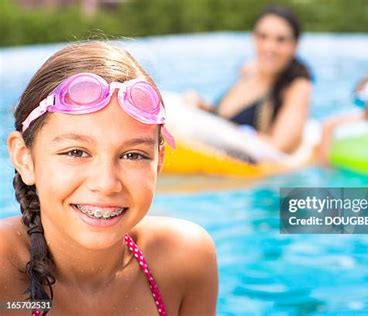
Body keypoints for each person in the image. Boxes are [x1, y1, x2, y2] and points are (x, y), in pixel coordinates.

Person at [0, 41, 218, 315]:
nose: (106, 184)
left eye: (133, 155)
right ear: (24, 158)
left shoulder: (184, 260)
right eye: (76, 152)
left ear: (159, 162)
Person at [187, 4, 313, 154]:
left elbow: (280, 147)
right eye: (263, 37)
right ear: (253, 38)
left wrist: (221, 133)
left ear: (295, 45)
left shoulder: (298, 86)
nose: (269, 47)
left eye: (281, 40)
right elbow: (226, 118)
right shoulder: (249, 71)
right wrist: (202, 108)